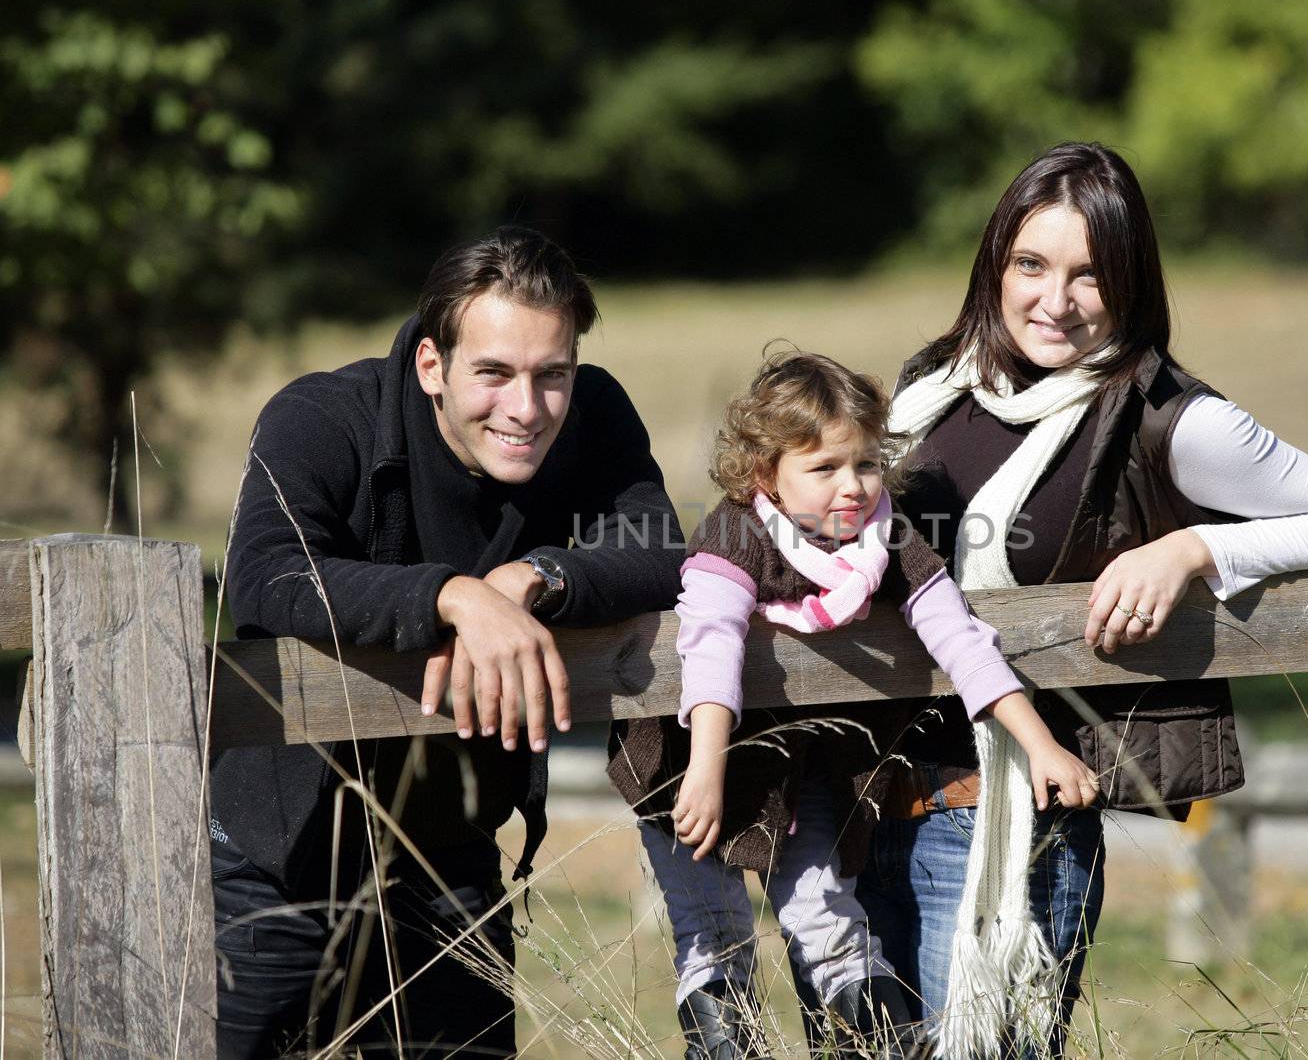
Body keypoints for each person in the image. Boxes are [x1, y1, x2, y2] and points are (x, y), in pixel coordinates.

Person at [855, 142, 1308, 1057]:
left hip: (1010, 832)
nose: (1052, 301)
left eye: (1089, 276)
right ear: (995, 262)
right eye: (1030, 264)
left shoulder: (1163, 416)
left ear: (1131, 283)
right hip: (867, 811)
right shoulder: (931, 390)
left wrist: (1191, 549)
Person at [213, 225, 683, 1058]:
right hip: (274, 862)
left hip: (452, 861)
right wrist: (450, 595)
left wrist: (533, 578)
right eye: (493, 373)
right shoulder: (320, 418)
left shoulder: (594, 413)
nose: (527, 408)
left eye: (552, 375)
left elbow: (657, 547)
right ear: (432, 364)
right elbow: (267, 575)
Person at [606, 351, 1098, 1059]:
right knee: (714, 932)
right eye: (824, 467)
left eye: (866, 463)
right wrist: (706, 770)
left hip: (795, 774)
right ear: (764, 474)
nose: (853, 486)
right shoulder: (736, 531)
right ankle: (727, 1047)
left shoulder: (888, 537)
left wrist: (1039, 743)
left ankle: (881, 1046)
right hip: (689, 762)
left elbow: (961, 639)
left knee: (828, 916)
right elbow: (710, 648)